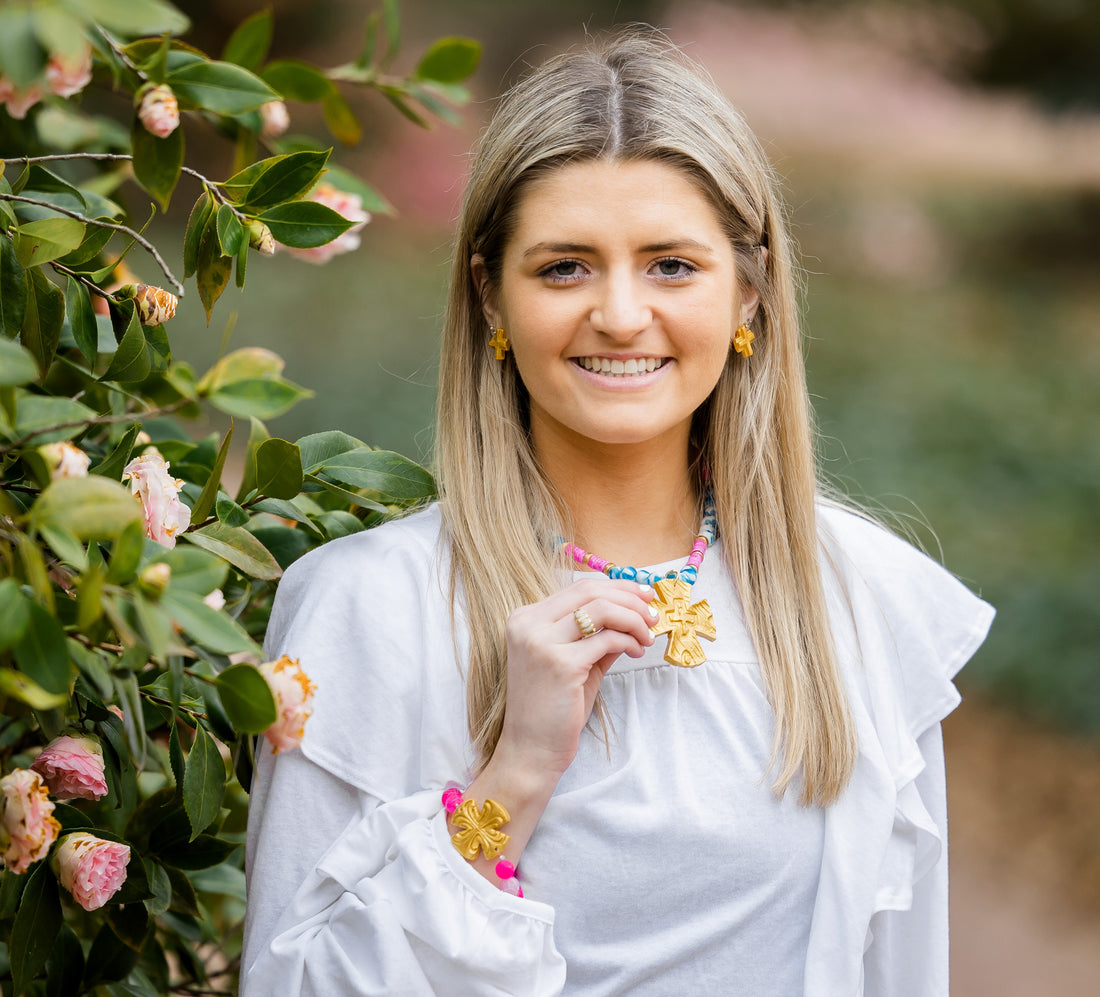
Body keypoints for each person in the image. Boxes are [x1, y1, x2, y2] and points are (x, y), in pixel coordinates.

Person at [240, 28, 993, 996]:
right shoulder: (367, 609)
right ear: (490, 297)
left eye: (671, 265)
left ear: (749, 291)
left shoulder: (862, 599)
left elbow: (899, 973)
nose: (622, 314)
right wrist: (512, 776)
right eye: (564, 267)